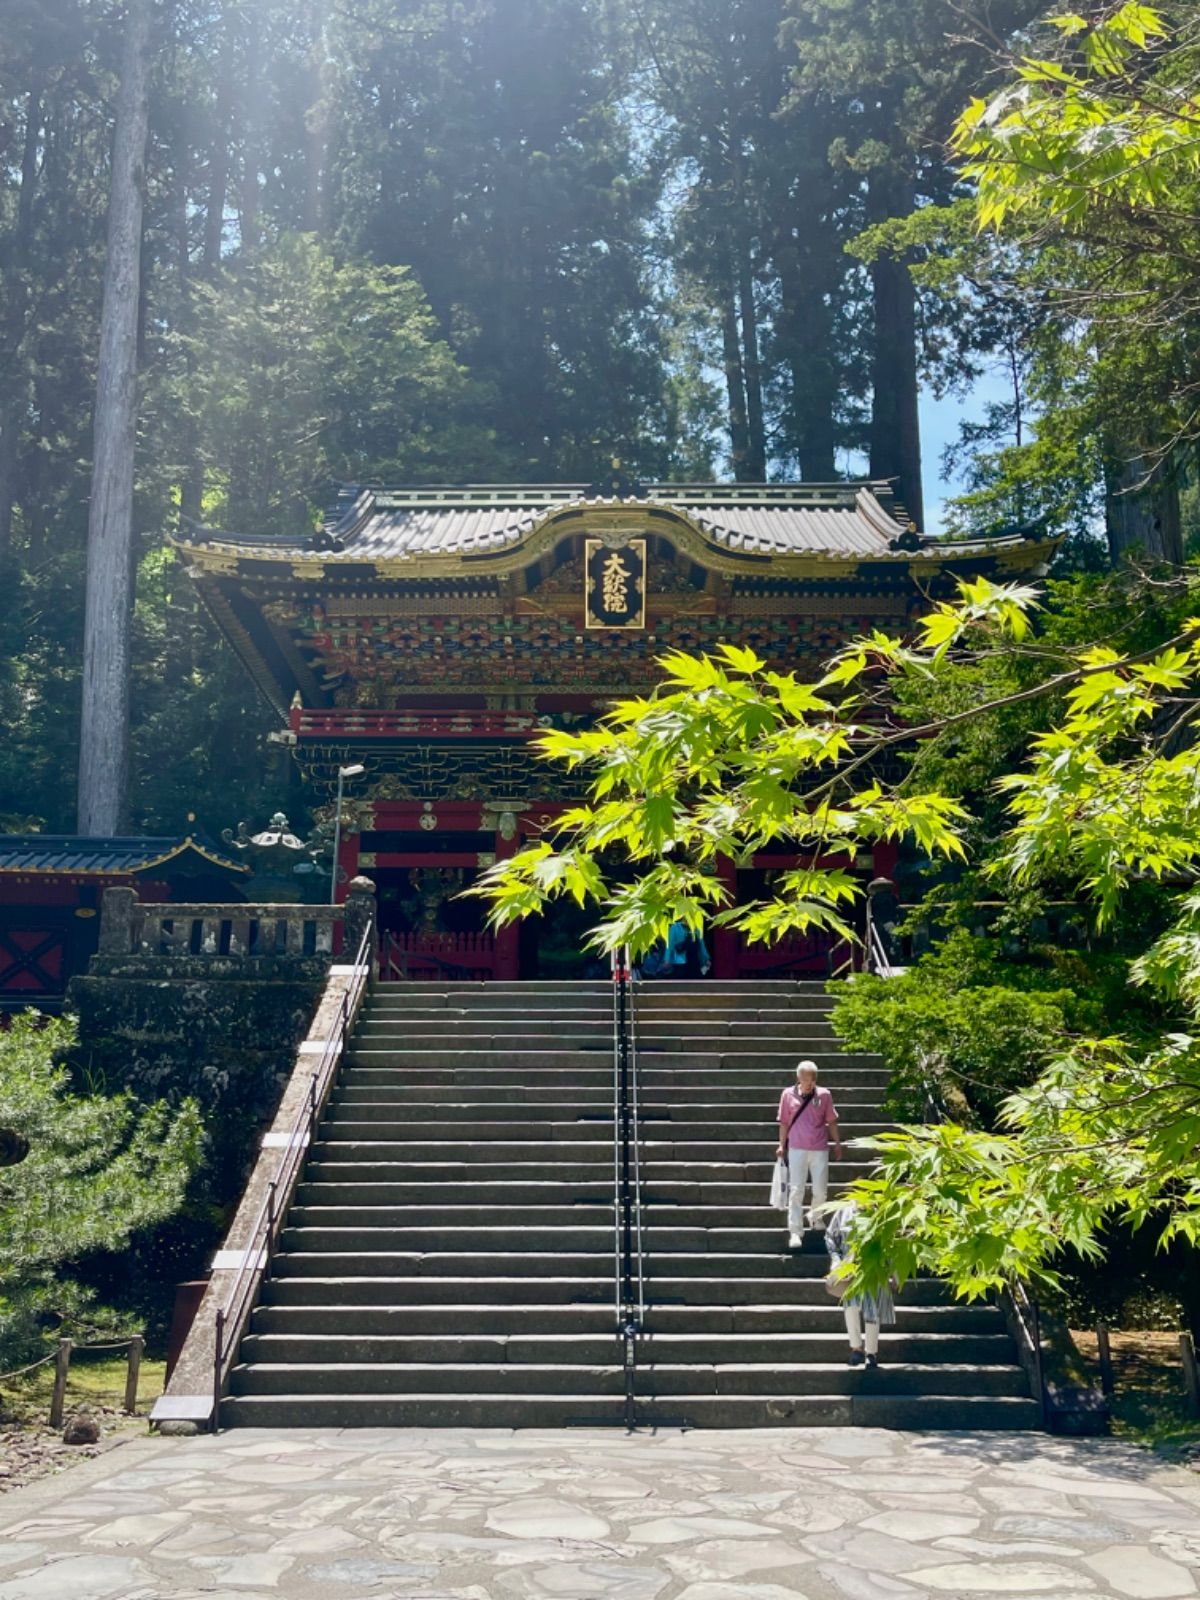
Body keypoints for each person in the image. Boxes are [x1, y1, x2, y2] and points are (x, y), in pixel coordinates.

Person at [776, 1060, 843, 1249]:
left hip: (819, 1147)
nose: (807, 1082)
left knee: (820, 1190)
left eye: (811, 1079)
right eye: (804, 1078)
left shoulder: (824, 1095)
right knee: (796, 1189)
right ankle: (795, 1231)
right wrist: (782, 1145)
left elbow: (831, 1121)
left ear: (815, 1079)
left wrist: (837, 1143)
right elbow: (784, 1122)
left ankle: (815, 1217)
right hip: (797, 1147)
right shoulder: (787, 1094)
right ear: (798, 1077)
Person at [825, 1198, 895, 1367]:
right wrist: (836, 1261)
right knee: (851, 1307)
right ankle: (856, 1348)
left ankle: (871, 1352)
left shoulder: (880, 1213)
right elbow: (830, 1237)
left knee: (873, 1310)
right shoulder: (843, 1212)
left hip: (874, 1267)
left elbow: (891, 1243)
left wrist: (893, 1271)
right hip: (849, 1267)